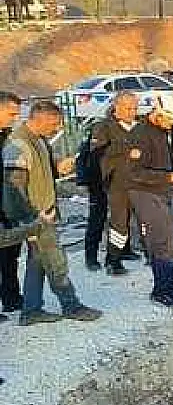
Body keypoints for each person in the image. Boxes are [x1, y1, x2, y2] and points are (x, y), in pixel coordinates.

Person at [3, 101, 103, 325]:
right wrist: (30, 222)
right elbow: (12, 190)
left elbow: (42, 174)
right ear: (41, 118)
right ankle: (71, 305)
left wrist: (59, 168)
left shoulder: (38, 140)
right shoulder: (18, 145)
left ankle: (31, 311)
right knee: (56, 262)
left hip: (42, 214)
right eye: (55, 123)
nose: (57, 129)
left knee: (38, 261)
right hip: (36, 217)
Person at [129, 95, 173, 308]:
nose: (171, 123)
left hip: (162, 191)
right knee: (163, 242)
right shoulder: (140, 135)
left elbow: (169, 165)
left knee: (170, 239)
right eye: (167, 118)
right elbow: (134, 173)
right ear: (155, 114)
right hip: (144, 193)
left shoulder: (162, 131)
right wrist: (168, 178)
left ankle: (168, 282)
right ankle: (160, 290)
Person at [91, 91, 143, 275]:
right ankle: (112, 260)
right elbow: (99, 153)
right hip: (116, 182)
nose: (133, 112)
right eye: (128, 108)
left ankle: (127, 250)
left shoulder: (139, 126)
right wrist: (126, 151)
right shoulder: (104, 127)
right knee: (118, 222)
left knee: (135, 219)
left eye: (135, 108)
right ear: (116, 107)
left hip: (139, 181)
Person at [0, 91, 24, 314]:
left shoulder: (8, 137)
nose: (15, 118)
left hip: (9, 205)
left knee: (10, 256)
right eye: (11, 113)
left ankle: (11, 297)